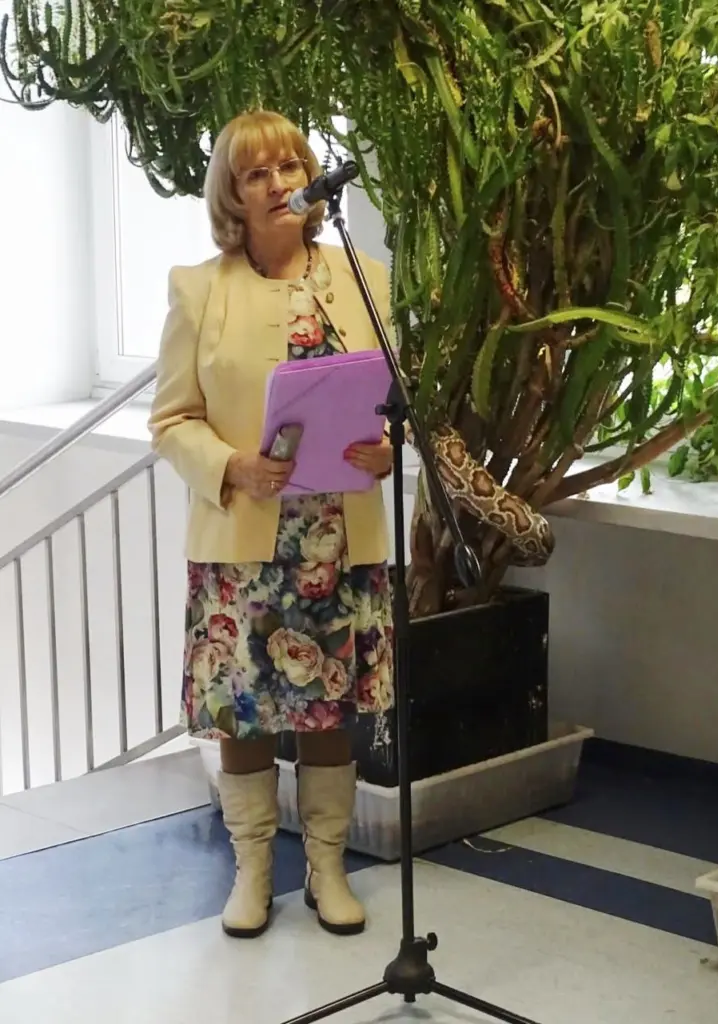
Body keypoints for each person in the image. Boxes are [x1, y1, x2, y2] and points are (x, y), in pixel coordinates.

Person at [148, 110, 395, 941]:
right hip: (244, 533)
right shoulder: (198, 289)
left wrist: (385, 449)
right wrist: (232, 466)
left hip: (338, 535)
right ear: (232, 194)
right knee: (243, 709)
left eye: (291, 166)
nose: (280, 183)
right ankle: (253, 869)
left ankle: (328, 868)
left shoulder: (364, 278)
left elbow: (386, 401)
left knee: (330, 708)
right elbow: (171, 420)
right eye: (256, 173)